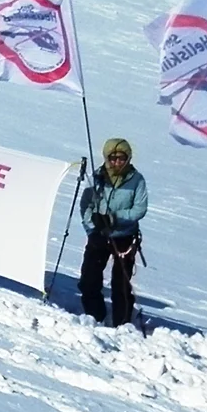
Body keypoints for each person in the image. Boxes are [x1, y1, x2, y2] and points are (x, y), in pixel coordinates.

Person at [77, 137, 147, 326]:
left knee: (121, 285)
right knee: (88, 280)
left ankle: (122, 324)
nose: (117, 162)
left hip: (125, 237)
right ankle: (95, 316)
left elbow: (139, 209)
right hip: (99, 235)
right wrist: (92, 227)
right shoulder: (97, 177)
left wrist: (114, 218)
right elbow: (86, 205)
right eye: (113, 158)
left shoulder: (137, 180)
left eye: (121, 158)